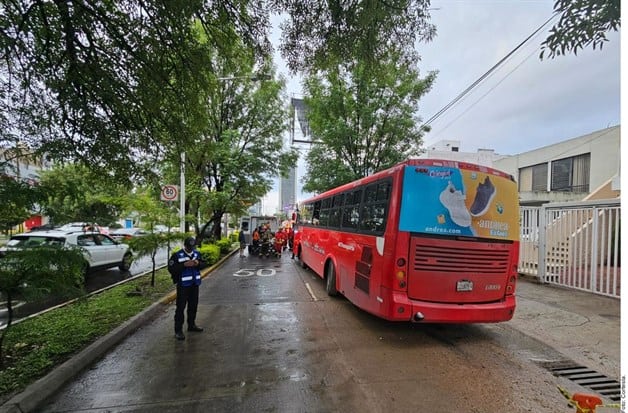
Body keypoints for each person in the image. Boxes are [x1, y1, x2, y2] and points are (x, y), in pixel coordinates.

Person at [171, 237, 204, 340]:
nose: (191, 249)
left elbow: (204, 263)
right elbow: (171, 269)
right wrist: (184, 265)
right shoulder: (177, 255)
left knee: (193, 306)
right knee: (180, 308)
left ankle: (191, 325)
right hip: (183, 286)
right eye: (189, 247)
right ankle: (178, 330)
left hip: (194, 284)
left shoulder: (197, 254)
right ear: (185, 246)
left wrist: (198, 263)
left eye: (192, 247)